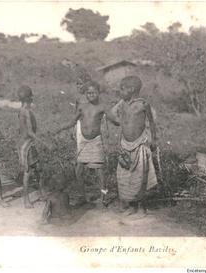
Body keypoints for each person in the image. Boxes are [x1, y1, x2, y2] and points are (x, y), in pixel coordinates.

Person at [54, 81, 118, 207]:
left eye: (94, 92)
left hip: (95, 141)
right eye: (88, 93)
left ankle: (104, 196)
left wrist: (126, 121)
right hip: (83, 141)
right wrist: (60, 128)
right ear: (85, 94)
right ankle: (83, 196)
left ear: (99, 93)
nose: (91, 95)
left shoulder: (102, 107)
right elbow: (72, 121)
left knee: (100, 170)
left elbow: (114, 119)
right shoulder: (82, 106)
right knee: (78, 170)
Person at [114, 75, 158, 218]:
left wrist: (153, 140)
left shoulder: (143, 104)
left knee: (140, 177)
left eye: (122, 88)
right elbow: (122, 125)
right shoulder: (123, 105)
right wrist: (118, 143)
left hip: (140, 145)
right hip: (125, 146)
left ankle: (141, 208)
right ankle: (132, 206)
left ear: (131, 89)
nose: (120, 91)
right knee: (126, 177)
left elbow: (151, 123)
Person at [16, 85, 52, 208]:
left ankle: (41, 193)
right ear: (29, 98)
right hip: (27, 145)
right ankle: (26, 200)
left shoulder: (23, 110)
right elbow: (30, 132)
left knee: (38, 169)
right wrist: (44, 142)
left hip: (27, 143)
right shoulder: (25, 111)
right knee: (28, 172)